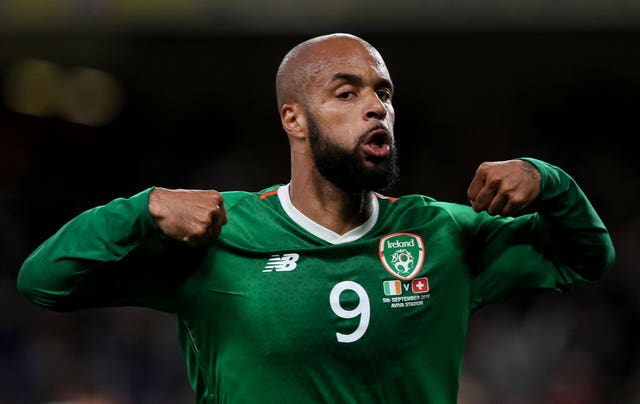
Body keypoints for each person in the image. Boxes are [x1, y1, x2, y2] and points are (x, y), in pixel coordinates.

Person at [17, 33, 615, 404]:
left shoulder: (443, 233)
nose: (377, 106)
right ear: (294, 119)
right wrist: (141, 208)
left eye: (383, 92)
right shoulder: (217, 235)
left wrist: (548, 178)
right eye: (347, 93)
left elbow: (586, 256)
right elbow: (43, 281)